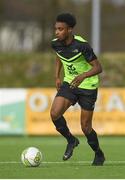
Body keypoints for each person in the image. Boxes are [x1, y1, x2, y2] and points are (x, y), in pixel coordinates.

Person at [50, 13, 105, 166]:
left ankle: (98, 153)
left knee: (85, 127)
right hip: (70, 83)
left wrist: (83, 76)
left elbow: (98, 67)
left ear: (70, 30)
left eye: (60, 29)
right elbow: (59, 56)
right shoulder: (56, 44)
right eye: (56, 29)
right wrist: (57, 76)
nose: (57, 32)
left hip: (88, 86)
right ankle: (71, 140)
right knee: (54, 113)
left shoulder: (82, 45)